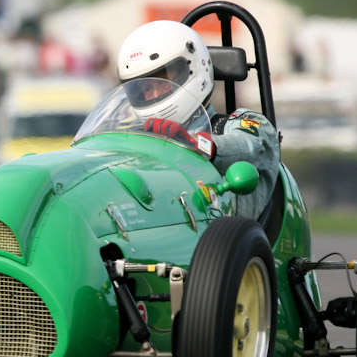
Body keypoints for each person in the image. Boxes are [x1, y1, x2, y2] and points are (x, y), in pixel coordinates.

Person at [116, 20, 280, 219]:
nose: (154, 94)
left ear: (194, 67)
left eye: (163, 81)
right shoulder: (134, 139)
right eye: (146, 89)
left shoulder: (242, 122)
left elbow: (253, 146)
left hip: (225, 242)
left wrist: (197, 144)